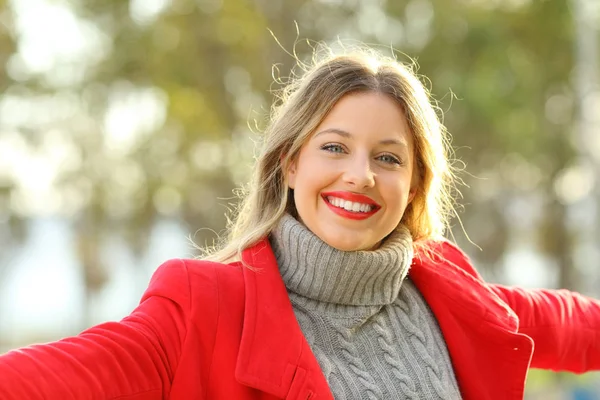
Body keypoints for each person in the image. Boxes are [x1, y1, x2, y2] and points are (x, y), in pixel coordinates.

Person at [1, 46, 599, 400]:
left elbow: (577, 326)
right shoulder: (203, 306)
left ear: (413, 184)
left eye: (388, 157)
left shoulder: (451, 292)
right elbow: (55, 377)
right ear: (290, 163)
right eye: (334, 148)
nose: (360, 175)